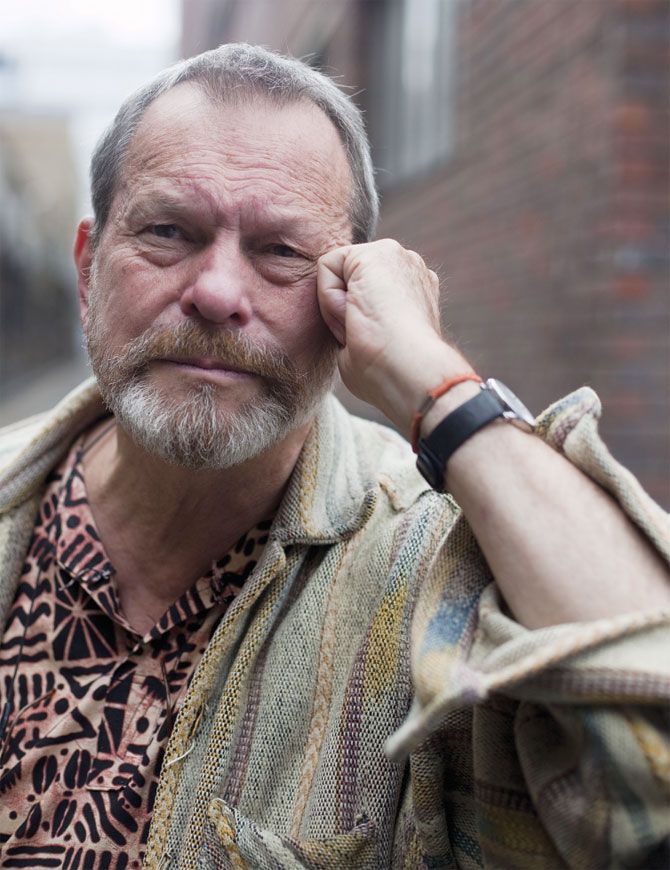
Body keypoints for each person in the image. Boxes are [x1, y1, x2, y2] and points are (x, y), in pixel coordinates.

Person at [0, 43, 668, 870]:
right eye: (169, 231)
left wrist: (441, 389)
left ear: (352, 294)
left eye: (282, 252)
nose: (216, 292)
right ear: (85, 269)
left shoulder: (436, 572)